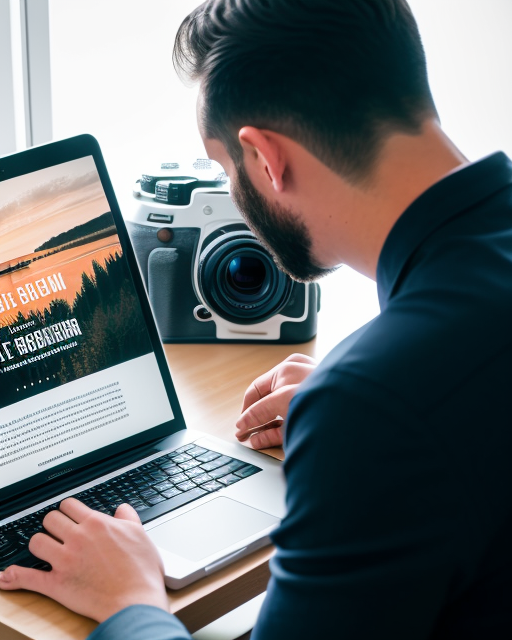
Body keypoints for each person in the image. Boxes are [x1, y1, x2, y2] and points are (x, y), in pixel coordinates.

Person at [1, 0, 511, 637]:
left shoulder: (373, 405)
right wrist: (359, 416)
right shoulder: (393, 390)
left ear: (266, 158)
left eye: (224, 170)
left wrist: (132, 600)